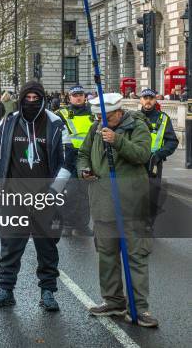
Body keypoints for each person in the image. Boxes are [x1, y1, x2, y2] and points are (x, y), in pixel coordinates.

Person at [0, 81, 74, 312]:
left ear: (42, 99)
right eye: (27, 98)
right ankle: (5, 290)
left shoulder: (56, 123)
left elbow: (68, 161)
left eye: (36, 98)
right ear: (21, 99)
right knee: (10, 246)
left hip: (45, 199)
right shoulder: (9, 121)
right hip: (13, 198)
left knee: (47, 247)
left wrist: (52, 193)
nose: (31, 102)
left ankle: (48, 292)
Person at [77, 93, 157, 327]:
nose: (102, 121)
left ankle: (140, 308)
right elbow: (82, 155)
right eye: (99, 117)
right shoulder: (95, 129)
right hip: (102, 204)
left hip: (131, 204)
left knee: (136, 257)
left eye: (107, 117)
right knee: (107, 256)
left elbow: (142, 155)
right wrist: (84, 170)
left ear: (119, 113)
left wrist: (117, 140)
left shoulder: (137, 127)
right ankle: (113, 302)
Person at [56, 85, 94, 237]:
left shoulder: (93, 112)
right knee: (70, 192)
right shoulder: (62, 113)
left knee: (85, 193)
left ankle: (82, 225)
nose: (78, 97)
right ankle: (67, 223)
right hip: (70, 158)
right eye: (75, 95)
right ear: (69, 97)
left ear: (85, 96)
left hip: (89, 157)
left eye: (80, 95)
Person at [138, 89, 179, 225]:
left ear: (155, 100)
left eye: (151, 98)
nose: (148, 100)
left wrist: (159, 155)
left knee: (152, 195)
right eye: (145, 98)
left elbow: (172, 141)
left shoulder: (163, 118)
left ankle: (149, 224)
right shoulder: (133, 117)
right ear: (141, 100)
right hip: (135, 160)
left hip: (154, 162)